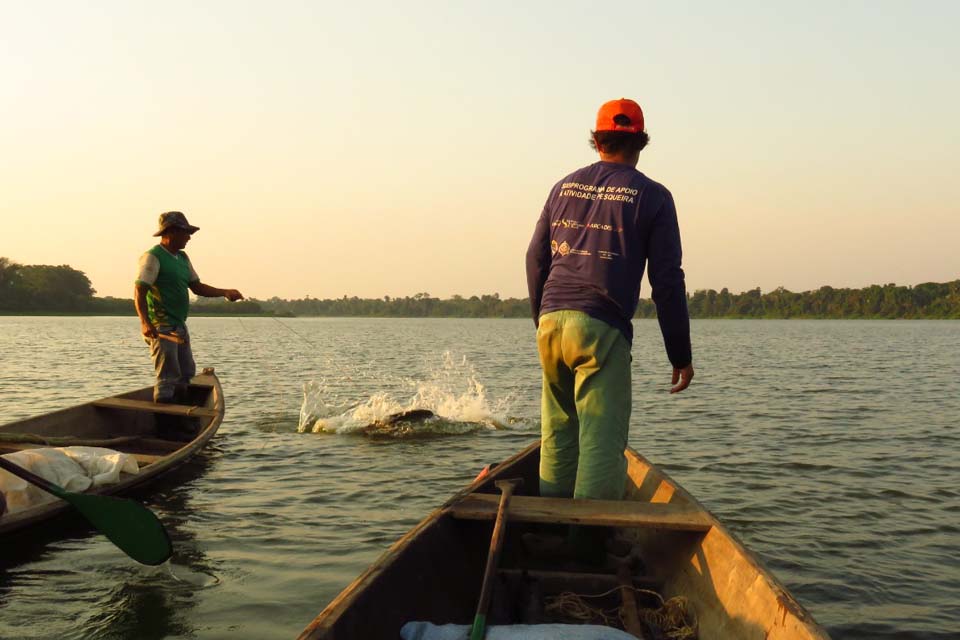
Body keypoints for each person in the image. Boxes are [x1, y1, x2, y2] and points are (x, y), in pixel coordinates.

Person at [525, 98, 694, 561]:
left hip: (551, 322)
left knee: (559, 431)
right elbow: (667, 280)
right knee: (600, 439)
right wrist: (680, 353)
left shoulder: (563, 186)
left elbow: (535, 258)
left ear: (597, 140)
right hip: (600, 327)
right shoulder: (653, 195)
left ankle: (549, 535)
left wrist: (543, 318)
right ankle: (586, 549)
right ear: (640, 142)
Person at [135, 211, 244, 404]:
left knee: (186, 374)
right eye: (185, 232)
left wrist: (224, 292)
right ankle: (166, 424)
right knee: (168, 378)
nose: (189, 237)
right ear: (171, 232)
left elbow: (197, 287)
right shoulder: (153, 257)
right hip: (161, 327)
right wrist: (145, 323)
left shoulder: (183, 258)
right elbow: (139, 291)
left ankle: (180, 419)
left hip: (179, 326)